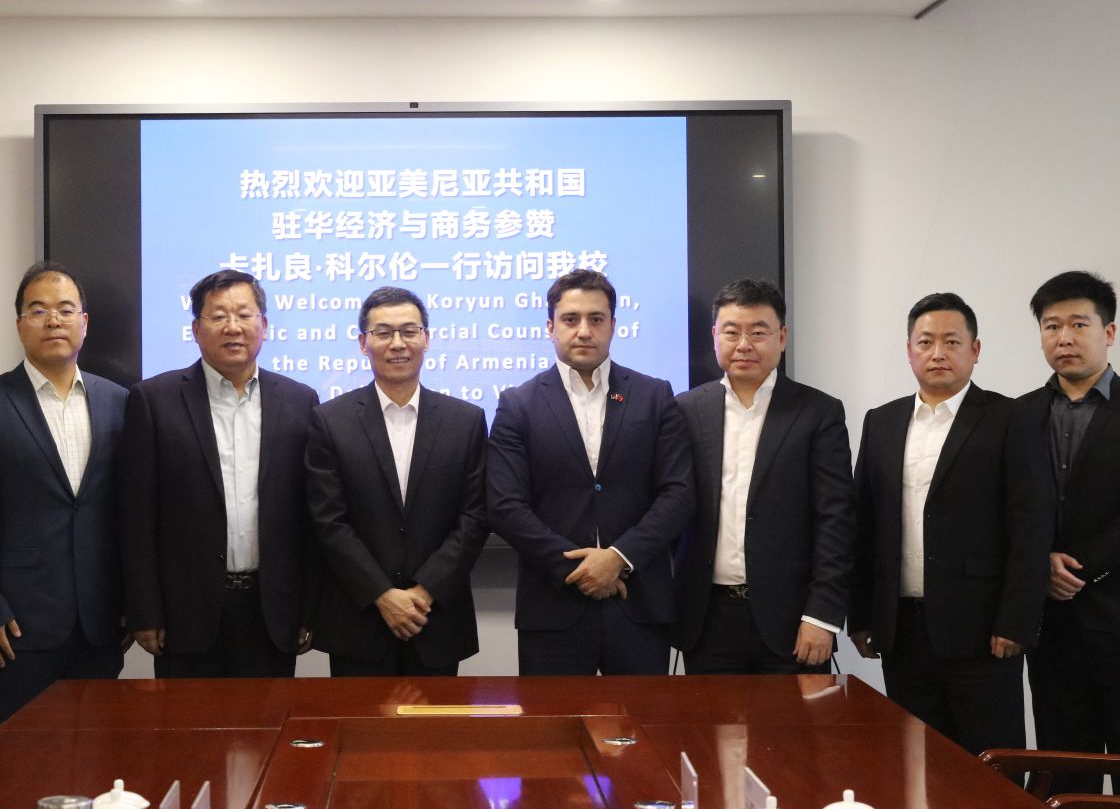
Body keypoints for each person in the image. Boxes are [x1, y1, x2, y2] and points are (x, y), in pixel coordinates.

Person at [848, 292, 1049, 754]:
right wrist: (860, 614)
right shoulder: (881, 422)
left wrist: (1016, 621)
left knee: (990, 762)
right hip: (902, 629)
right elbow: (864, 524)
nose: (937, 353)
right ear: (909, 351)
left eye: (952, 342)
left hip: (983, 630)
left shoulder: (1009, 419)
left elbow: (1030, 527)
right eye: (925, 342)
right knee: (917, 761)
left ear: (975, 350)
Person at [1017, 270, 1120, 794]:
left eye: (1078, 324)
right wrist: (1040, 561)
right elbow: (1009, 507)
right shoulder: (1019, 414)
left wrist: (1076, 567)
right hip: (1053, 621)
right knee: (1066, 765)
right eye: (1051, 326)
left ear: (1108, 332)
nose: (1064, 338)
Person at [486, 269, 695, 676]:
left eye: (596, 319)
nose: (584, 331)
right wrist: (579, 570)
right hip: (553, 606)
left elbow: (678, 494)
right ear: (550, 327)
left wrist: (618, 558)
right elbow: (505, 505)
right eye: (570, 319)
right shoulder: (518, 404)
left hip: (638, 603)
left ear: (613, 325)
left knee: (644, 718)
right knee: (553, 718)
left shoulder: (654, 395)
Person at [0, 263, 130, 728]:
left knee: (100, 754)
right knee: (20, 757)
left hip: (100, 623)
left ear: (84, 323)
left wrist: (130, 605)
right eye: (38, 310)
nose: (53, 320)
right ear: (19, 325)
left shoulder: (119, 401)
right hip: (17, 626)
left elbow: (129, 514)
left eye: (65, 310)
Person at [119, 268, 320, 677]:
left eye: (244, 315)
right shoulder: (154, 401)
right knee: (190, 720)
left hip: (271, 609)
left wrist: (309, 607)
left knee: (270, 718)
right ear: (196, 329)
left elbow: (310, 517)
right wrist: (144, 610)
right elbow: (135, 516)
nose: (233, 327)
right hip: (185, 612)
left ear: (264, 326)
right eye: (218, 316)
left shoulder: (300, 401)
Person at [305, 287, 490, 676]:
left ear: (426, 338)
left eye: (409, 331)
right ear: (363, 343)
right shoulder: (330, 420)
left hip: (436, 619)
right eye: (383, 332)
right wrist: (382, 594)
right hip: (359, 622)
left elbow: (475, 517)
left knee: (437, 719)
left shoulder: (466, 420)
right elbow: (328, 522)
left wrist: (424, 592)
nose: (397, 344)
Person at [676, 278, 854, 674]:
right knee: (709, 718)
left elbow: (836, 520)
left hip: (793, 620)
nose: (744, 345)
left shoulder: (818, 412)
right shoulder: (686, 410)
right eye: (732, 332)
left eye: (758, 332)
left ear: (782, 337)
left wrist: (822, 615)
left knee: (794, 719)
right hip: (707, 620)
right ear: (714, 336)